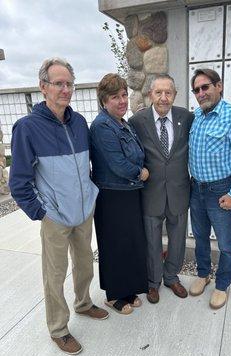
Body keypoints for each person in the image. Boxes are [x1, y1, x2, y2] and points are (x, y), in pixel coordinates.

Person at [9, 57, 108, 356]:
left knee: (84, 263)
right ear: (43, 87)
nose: (65, 89)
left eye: (69, 84)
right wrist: (41, 212)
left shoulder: (78, 122)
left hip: (82, 211)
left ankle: (84, 303)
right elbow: (19, 182)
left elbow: (86, 166)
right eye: (58, 83)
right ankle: (58, 328)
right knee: (54, 274)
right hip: (55, 216)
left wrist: (91, 194)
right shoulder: (27, 127)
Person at [189, 68, 231, 309]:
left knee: (226, 244)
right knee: (200, 237)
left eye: (205, 87)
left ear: (219, 86)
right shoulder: (197, 116)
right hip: (197, 189)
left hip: (221, 190)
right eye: (197, 90)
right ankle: (203, 274)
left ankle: (222, 283)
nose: (201, 93)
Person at [129, 74, 194, 304]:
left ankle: (171, 277)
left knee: (177, 239)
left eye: (168, 93)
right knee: (152, 240)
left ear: (175, 95)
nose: (163, 98)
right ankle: (153, 282)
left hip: (179, 191)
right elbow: (130, 152)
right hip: (151, 192)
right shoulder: (137, 121)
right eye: (159, 93)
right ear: (150, 95)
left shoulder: (187, 117)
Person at [89, 73, 149, 315]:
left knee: (129, 243)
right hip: (112, 195)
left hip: (129, 193)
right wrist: (141, 173)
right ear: (104, 100)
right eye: (115, 97)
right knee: (114, 245)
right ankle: (114, 295)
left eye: (124, 95)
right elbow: (118, 164)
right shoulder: (102, 126)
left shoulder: (123, 123)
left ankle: (127, 289)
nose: (122, 101)